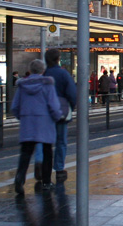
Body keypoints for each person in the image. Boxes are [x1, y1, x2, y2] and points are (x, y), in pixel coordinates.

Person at [10, 59, 62, 194]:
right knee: (47, 152)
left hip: (28, 122)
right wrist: (57, 117)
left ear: (30, 70)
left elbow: (15, 106)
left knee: (26, 152)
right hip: (45, 122)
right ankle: (46, 181)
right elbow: (53, 105)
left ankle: (19, 179)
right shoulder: (47, 84)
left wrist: (23, 116)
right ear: (43, 70)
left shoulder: (22, 85)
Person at [44, 48, 77, 183]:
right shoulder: (63, 74)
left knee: (45, 143)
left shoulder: (44, 74)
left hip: (45, 113)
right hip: (61, 113)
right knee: (61, 142)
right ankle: (59, 168)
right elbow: (72, 94)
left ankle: (43, 169)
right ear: (58, 59)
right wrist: (70, 107)